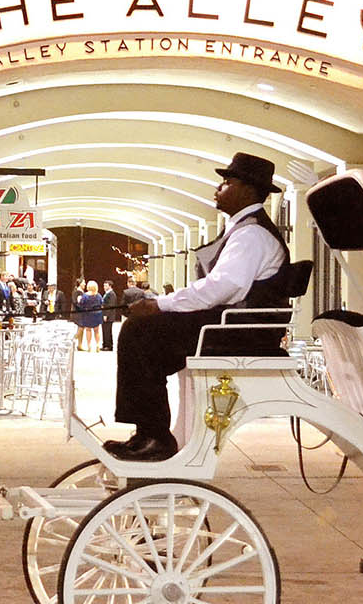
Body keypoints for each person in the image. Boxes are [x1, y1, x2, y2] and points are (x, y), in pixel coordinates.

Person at [107, 152, 290, 462]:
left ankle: (155, 436)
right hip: (234, 323)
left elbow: (223, 288)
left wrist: (160, 304)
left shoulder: (252, 234)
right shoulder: (242, 229)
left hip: (242, 330)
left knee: (139, 332)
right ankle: (148, 432)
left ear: (247, 191)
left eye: (226, 182)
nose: (218, 188)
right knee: (142, 336)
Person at [75, 280, 104, 350]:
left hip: (88, 314)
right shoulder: (98, 295)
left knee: (88, 330)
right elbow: (102, 303)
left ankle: (89, 346)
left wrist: (79, 300)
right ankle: (97, 345)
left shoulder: (85, 295)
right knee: (97, 331)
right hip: (97, 314)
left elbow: (81, 304)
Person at [99, 280, 119, 351]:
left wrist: (106, 315)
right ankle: (104, 344)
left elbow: (110, 305)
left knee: (107, 330)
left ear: (110, 286)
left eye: (106, 285)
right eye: (104, 285)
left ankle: (109, 345)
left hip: (108, 316)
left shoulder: (112, 294)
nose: (104, 287)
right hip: (104, 314)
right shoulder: (106, 294)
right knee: (104, 330)